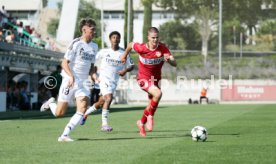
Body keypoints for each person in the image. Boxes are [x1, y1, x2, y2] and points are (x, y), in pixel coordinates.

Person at [40, 18, 98, 142]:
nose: (94, 32)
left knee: (82, 108)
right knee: (59, 113)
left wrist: (95, 77)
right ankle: (50, 103)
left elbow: (92, 67)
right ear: (84, 30)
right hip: (69, 79)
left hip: (83, 82)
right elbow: (64, 63)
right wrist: (71, 76)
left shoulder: (94, 46)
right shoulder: (76, 43)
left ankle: (65, 135)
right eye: (92, 30)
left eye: (94, 29)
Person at [120, 27, 177, 137]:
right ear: (148, 37)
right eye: (153, 38)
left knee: (151, 103)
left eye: (157, 37)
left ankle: (141, 123)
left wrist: (169, 59)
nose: (155, 40)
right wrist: (124, 55)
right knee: (158, 94)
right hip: (143, 78)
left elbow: (175, 63)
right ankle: (150, 116)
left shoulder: (163, 49)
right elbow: (131, 44)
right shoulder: (142, 48)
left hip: (156, 80)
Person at [80, 31, 134, 131]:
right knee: (108, 98)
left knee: (101, 102)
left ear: (120, 40)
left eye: (117, 38)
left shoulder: (123, 53)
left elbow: (132, 65)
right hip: (103, 79)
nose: (115, 39)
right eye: (113, 37)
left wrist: (125, 70)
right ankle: (104, 124)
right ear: (110, 39)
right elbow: (92, 61)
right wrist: (94, 73)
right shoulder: (103, 52)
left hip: (114, 82)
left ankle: (86, 113)